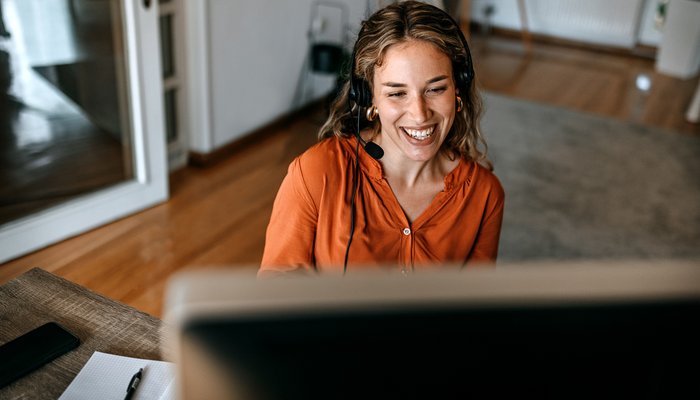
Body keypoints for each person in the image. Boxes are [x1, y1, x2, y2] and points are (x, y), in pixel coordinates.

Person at [260, 1, 504, 276]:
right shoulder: (316, 173)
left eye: (435, 89)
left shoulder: (484, 194)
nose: (420, 114)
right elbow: (276, 297)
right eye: (397, 93)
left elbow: (475, 307)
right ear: (369, 97)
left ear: (457, 89)